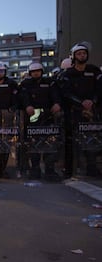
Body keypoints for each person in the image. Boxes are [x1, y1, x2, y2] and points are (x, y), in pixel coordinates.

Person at [59, 42, 102, 177]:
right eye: (79, 53)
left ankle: (92, 168)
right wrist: (80, 102)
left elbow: (100, 89)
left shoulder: (94, 71)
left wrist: (93, 101)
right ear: (73, 56)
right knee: (71, 141)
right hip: (73, 112)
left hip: (93, 111)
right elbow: (65, 92)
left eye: (84, 53)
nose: (82, 56)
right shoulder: (68, 74)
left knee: (93, 139)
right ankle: (70, 169)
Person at [20, 62, 62, 181]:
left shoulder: (49, 82)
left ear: (42, 71)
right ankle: (35, 169)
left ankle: (50, 169)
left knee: (50, 143)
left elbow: (56, 94)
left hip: (49, 117)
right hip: (32, 118)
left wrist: (57, 103)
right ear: (30, 73)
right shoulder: (25, 84)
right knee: (34, 144)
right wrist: (27, 105)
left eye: (38, 71)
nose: (36, 73)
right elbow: (23, 96)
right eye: (33, 71)